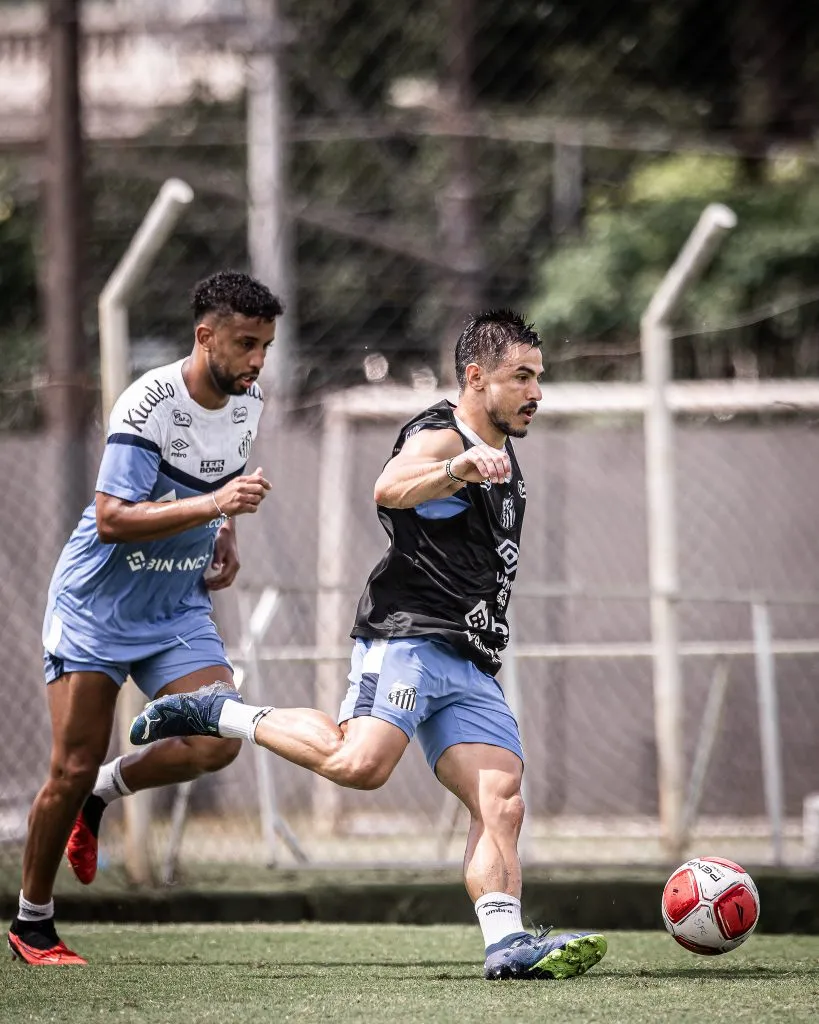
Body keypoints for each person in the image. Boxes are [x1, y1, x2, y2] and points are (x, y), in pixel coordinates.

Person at [129, 310, 608, 981]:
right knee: (362, 766)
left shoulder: (498, 446)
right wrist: (458, 471)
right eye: (520, 377)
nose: (535, 391)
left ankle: (506, 944)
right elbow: (388, 487)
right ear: (475, 377)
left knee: (501, 797)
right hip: (407, 637)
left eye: (538, 377)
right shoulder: (441, 435)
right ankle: (218, 712)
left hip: (469, 658)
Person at [7, 271, 283, 965]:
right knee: (67, 766)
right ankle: (32, 922)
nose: (256, 361)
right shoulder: (150, 402)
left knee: (218, 737)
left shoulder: (250, 405)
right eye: (246, 344)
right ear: (206, 335)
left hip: (175, 604)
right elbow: (111, 519)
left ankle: (108, 789)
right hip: (96, 607)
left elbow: (221, 493)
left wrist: (225, 539)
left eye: (266, 347)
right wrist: (216, 507)